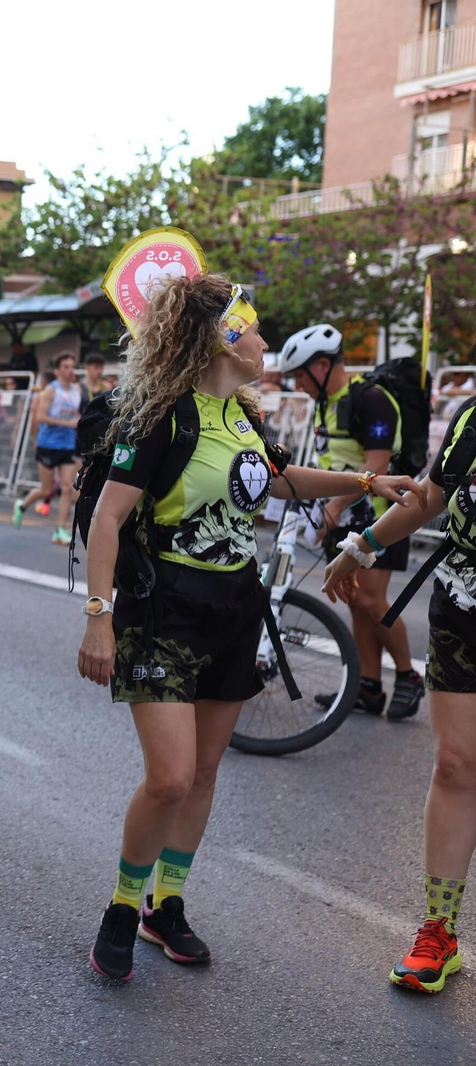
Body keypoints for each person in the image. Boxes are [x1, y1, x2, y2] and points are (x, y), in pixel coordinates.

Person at [77, 272, 424, 982]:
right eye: (255, 329)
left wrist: (366, 483)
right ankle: (121, 906)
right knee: (170, 778)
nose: (265, 341)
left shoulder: (242, 414)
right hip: (165, 609)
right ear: (222, 338)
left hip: (235, 605)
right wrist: (98, 618)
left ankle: (166, 905)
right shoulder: (161, 415)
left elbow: (280, 478)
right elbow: (109, 518)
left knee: (205, 771)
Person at [323, 393, 476, 993]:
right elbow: (431, 498)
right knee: (456, 764)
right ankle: (439, 930)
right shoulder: (471, 417)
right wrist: (362, 545)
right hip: (462, 604)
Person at [277, 324, 424, 719]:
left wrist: (334, 507)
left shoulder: (371, 400)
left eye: (301, 375)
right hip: (343, 516)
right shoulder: (328, 401)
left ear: (323, 366)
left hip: (381, 516)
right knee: (356, 600)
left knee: (373, 601)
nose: (298, 385)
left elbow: (377, 469)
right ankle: (369, 686)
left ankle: (409, 676)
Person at [13, 353, 84, 544]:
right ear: (58, 370)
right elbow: (40, 417)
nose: (70, 370)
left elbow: (75, 413)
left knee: (67, 487)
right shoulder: (51, 390)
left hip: (67, 444)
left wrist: (78, 420)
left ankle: (60, 529)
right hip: (48, 444)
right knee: (46, 490)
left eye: (72, 366)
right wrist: (67, 423)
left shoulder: (77, 390)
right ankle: (22, 505)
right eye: (66, 367)